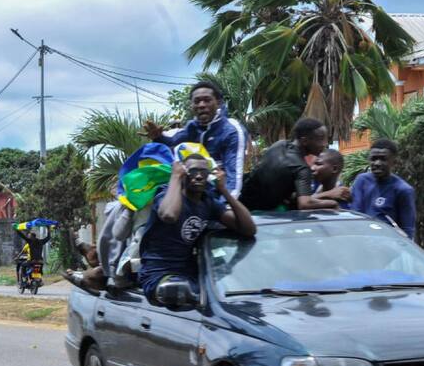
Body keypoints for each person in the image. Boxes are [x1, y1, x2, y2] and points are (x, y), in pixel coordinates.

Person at [138, 151, 256, 301]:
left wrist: (224, 191)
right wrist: (175, 176)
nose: (199, 176)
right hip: (159, 275)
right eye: (193, 171)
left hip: (189, 274)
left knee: (227, 294)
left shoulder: (208, 202)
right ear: (183, 173)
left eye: (203, 172)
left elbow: (249, 229)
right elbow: (169, 215)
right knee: (195, 296)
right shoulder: (165, 195)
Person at [144, 81, 248, 197]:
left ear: (218, 102)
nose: (201, 105)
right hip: (192, 190)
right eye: (197, 101)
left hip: (218, 194)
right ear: (191, 105)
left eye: (207, 100)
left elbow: (234, 177)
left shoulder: (231, 130)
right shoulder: (192, 127)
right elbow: (171, 143)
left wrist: (226, 204)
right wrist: (158, 137)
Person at [239, 117, 338, 211]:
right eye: (321, 139)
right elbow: (305, 204)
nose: (325, 144)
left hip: (240, 201)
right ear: (304, 141)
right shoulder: (301, 169)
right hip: (258, 213)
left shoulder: (279, 145)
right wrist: (332, 203)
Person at [351, 139, 416, 238]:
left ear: (394, 162)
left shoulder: (403, 190)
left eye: (383, 159)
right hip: (360, 239)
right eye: (373, 159)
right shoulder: (362, 181)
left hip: (387, 243)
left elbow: (407, 230)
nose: (377, 163)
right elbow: (354, 213)